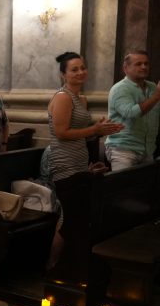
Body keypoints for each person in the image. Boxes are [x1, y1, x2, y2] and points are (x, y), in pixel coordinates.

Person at [46, 51, 123, 268]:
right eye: (74, 69)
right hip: (64, 165)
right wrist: (94, 128)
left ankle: (61, 266)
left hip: (79, 165)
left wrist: (101, 130)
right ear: (63, 75)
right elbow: (61, 133)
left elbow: (82, 133)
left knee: (71, 219)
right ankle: (55, 266)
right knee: (71, 220)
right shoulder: (63, 97)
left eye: (83, 68)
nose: (81, 72)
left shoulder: (81, 99)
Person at [105, 50, 160, 171]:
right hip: (123, 149)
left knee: (145, 190)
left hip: (148, 150)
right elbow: (131, 113)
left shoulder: (152, 87)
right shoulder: (120, 89)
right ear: (126, 68)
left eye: (146, 63)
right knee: (124, 189)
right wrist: (156, 97)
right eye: (138, 64)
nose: (144, 67)